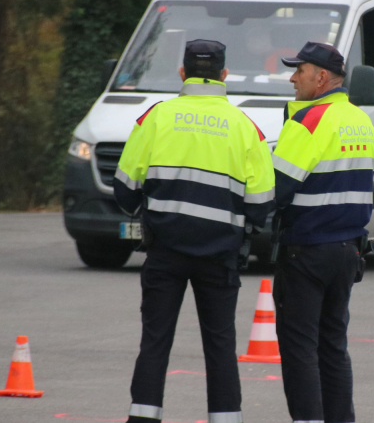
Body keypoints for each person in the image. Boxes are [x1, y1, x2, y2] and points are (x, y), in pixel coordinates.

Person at [113, 39, 275, 423]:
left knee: (155, 340)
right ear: (224, 75)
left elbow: (124, 191)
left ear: (183, 73)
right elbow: (262, 205)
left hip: (164, 251)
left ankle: (143, 418)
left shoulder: (156, 117)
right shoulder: (245, 128)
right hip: (220, 255)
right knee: (220, 344)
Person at [270, 41, 374, 423]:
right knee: (333, 346)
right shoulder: (360, 120)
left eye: (299, 71)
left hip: (307, 250)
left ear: (322, 77)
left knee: (300, 348)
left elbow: (275, 188)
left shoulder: (309, 121)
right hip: (348, 249)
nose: (292, 78)